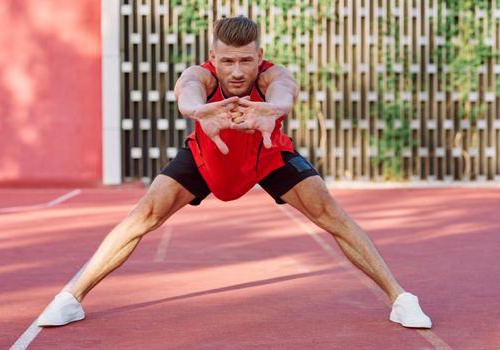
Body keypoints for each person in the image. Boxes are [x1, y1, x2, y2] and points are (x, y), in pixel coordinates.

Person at [38, 16, 431, 329]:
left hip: (266, 153)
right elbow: (188, 87)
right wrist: (195, 111)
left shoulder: (271, 75)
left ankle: (400, 298)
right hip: (209, 155)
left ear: (260, 55)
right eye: (228, 60)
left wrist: (275, 109)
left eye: (246, 59)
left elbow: (284, 88)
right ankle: (71, 298)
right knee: (143, 216)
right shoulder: (203, 76)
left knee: (331, 213)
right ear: (214, 55)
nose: (237, 70)